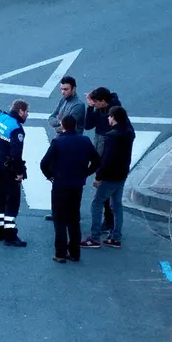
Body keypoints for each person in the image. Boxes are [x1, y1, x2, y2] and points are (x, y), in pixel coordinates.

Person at [40, 114, 101, 263]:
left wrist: (50, 176)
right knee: (74, 219)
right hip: (77, 185)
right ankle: (74, 252)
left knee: (59, 219)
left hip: (60, 185)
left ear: (64, 126)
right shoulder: (85, 141)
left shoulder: (58, 142)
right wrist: (85, 174)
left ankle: (60, 253)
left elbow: (44, 163)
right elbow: (97, 161)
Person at [81, 106, 135, 249]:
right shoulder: (129, 133)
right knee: (117, 205)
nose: (108, 118)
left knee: (97, 203)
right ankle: (116, 237)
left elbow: (107, 159)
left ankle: (94, 238)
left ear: (115, 118)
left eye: (110, 116)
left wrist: (98, 176)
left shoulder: (112, 136)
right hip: (122, 174)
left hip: (110, 176)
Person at [0, 99, 30, 247]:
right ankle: (10, 234)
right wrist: (19, 172)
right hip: (8, 168)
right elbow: (16, 155)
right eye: (26, 112)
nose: (27, 115)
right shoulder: (17, 129)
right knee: (12, 200)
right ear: (20, 111)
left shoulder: (1, 117)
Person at [43, 76, 86, 222]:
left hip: (71, 146)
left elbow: (66, 126)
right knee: (57, 178)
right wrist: (58, 123)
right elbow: (51, 118)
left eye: (66, 89)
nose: (63, 92)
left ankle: (70, 214)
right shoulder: (63, 101)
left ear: (74, 88)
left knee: (68, 180)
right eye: (61, 89)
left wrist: (59, 124)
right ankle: (57, 212)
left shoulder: (78, 106)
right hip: (59, 143)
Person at [85, 86, 122, 232]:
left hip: (107, 146)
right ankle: (110, 221)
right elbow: (88, 125)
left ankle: (109, 222)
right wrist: (90, 108)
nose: (95, 104)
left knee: (106, 189)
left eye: (96, 102)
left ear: (103, 101)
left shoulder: (114, 111)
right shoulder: (100, 108)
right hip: (100, 141)